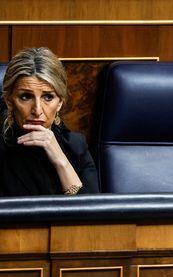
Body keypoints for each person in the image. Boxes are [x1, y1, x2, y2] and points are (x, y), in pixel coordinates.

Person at [0, 47, 99, 196]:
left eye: (48, 97)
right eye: (26, 97)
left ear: (59, 103)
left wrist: (61, 161)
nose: (37, 110)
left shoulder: (75, 146)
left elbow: (92, 214)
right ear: (9, 102)